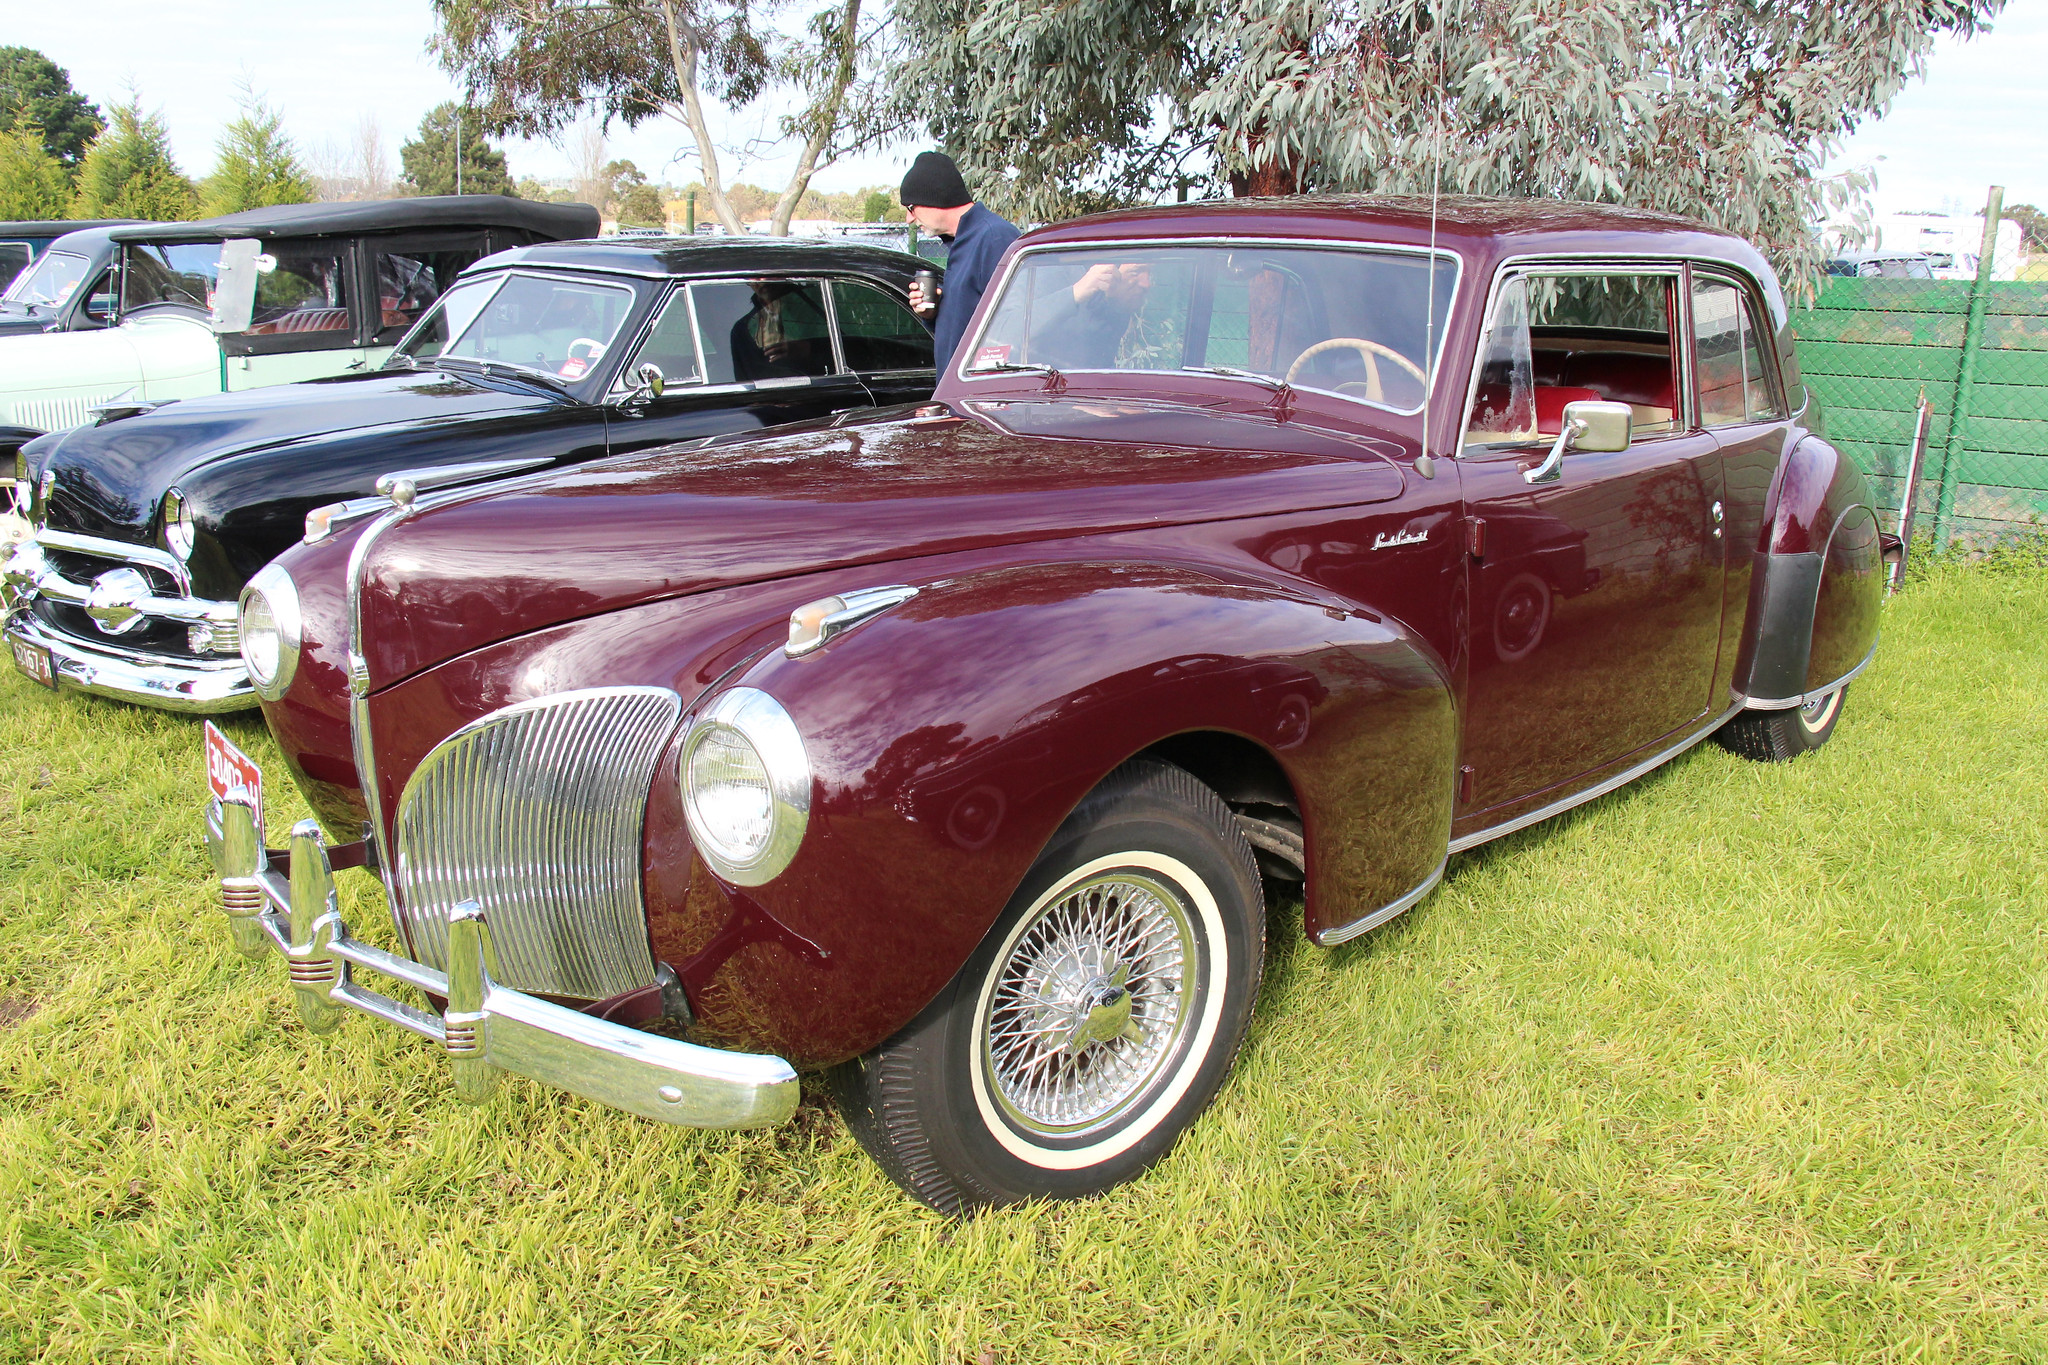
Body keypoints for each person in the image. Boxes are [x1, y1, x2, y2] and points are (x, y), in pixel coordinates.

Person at [898, 151, 1019, 370]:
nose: (910, 219)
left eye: (911, 207)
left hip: (981, 397)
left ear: (934, 197)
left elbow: (1016, 323)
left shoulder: (994, 238)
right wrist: (932, 313)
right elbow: (966, 328)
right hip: (955, 394)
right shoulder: (960, 242)